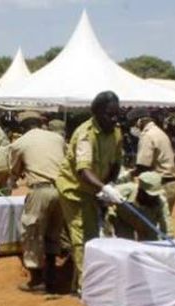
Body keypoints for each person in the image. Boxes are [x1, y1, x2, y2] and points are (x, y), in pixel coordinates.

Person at [56, 90, 123, 294]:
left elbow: (116, 164)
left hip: (95, 189)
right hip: (74, 191)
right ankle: (85, 289)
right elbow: (83, 170)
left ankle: (81, 280)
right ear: (97, 113)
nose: (114, 118)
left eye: (116, 114)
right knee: (83, 237)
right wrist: (103, 188)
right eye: (109, 114)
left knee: (94, 236)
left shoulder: (116, 132)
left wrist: (108, 186)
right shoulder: (85, 135)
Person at [8, 111, 67, 293]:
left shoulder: (19, 143)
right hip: (62, 190)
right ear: (41, 123)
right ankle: (52, 278)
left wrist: (15, 178)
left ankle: (36, 280)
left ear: (23, 126)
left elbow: (14, 171)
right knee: (53, 233)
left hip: (40, 190)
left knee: (33, 233)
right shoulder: (57, 139)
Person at [128, 108, 175, 212]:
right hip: (171, 184)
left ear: (140, 121)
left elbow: (143, 166)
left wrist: (128, 174)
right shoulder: (159, 132)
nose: (133, 127)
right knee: (163, 224)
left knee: (149, 223)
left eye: (133, 123)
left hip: (160, 187)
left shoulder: (147, 136)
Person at [105, 171, 173, 241]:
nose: (154, 198)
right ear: (140, 191)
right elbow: (103, 196)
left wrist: (169, 240)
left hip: (146, 226)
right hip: (123, 221)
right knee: (125, 244)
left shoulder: (161, 202)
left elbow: (166, 225)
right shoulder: (125, 190)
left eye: (156, 195)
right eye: (151, 195)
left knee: (151, 247)